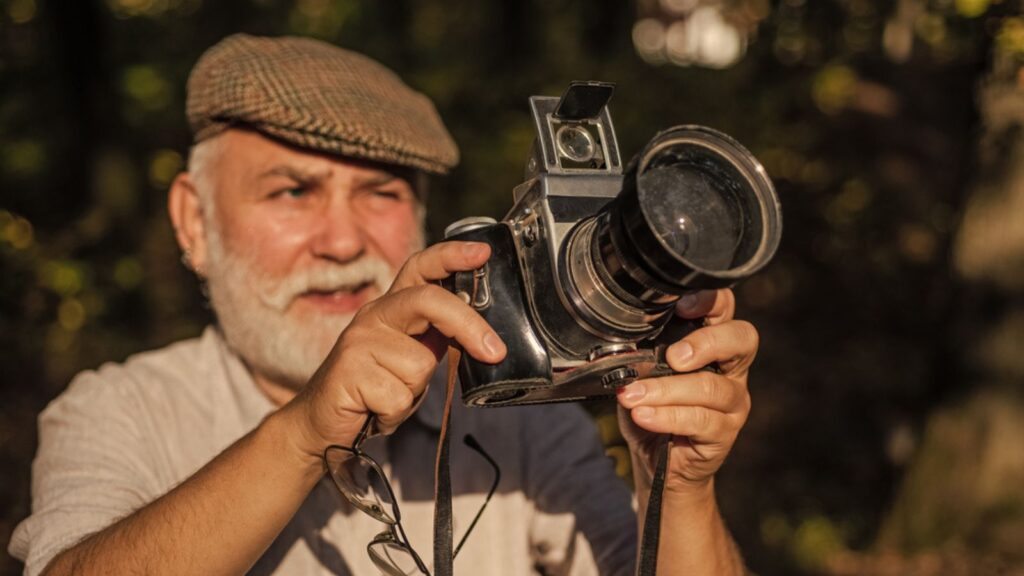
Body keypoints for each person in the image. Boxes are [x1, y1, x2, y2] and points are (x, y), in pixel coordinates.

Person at [9, 34, 757, 575]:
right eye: (291, 191)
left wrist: (680, 489)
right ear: (193, 223)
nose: (342, 240)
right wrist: (306, 433)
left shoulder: (518, 417)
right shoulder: (120, 411)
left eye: (382, 194)